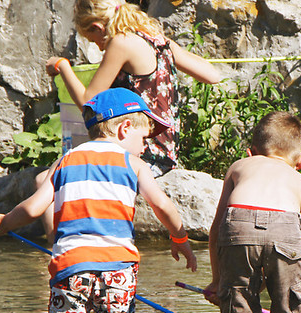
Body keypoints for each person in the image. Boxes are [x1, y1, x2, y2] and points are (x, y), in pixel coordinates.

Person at [0, 88, 198, 313]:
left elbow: (32, 208)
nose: (145, 146)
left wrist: (2, 223)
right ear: (124, 129)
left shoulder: (65, 161)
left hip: (71, 269)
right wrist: (180, 238)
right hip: (118, 271)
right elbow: (163, 206)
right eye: (143, 137)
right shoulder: (133, 164)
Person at [40, 0, 222, 240]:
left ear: (99, 27)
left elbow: (88, 103)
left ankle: (58, 251)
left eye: (95, 41)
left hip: (139, 149)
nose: (100, 49)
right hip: (163, 149)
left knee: (44, 180)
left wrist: (64, 67)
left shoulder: (120, 42)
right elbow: (213, 75)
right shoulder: (156, 38)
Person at [204, 111, 301, 313]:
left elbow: (217, 230)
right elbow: (289, 240)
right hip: (287, 226)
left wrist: (218, 281)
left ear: (251, 152)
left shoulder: (239, 167)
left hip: (237, 224)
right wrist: (269, 277)